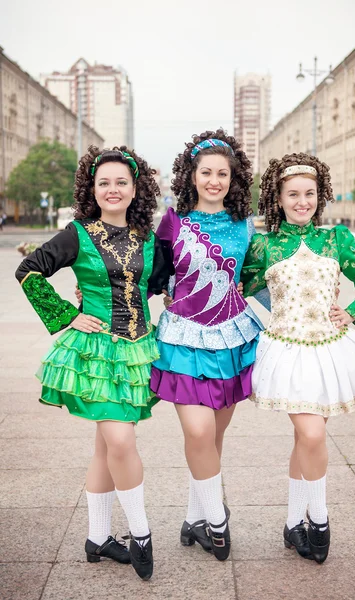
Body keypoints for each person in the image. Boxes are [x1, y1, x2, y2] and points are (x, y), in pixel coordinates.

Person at [15, 146, 171, 580]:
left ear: (135, 188)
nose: (113, 189)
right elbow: (29, 270)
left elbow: (157, 285)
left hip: (138, 350)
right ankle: (140, 533)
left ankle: (98, 537)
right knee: (121, 441)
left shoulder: (148, 238)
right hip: (97, 352)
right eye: (104, 182)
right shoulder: (77, 233)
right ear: (92, 189)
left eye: (121, 181)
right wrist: (68, 314)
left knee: (107, 446)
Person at [241, 153, 355, 564]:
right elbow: (234, 285)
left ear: (319, 195)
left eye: (309, 194)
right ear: (278, 198)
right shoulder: (264, 244)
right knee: (311, 435)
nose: (302, 202)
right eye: (293, 194)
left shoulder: (337, 238)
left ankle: (294, 523)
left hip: (331, 351)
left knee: (305, 439)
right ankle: (321, 519)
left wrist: (353, 312)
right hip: (287, 350)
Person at [151, 130, 263, 560]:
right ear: (191, 175)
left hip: (232, 337)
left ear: (233, 179)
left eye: (223, 173)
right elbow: (151, 276)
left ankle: (195, 515)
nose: (214, 180)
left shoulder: (245, 225)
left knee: (213, 438)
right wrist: (98, 300)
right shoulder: (172, 221)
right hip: (183, 336)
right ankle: (217, 521)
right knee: (197, 431)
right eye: (206, 172)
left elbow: (262, 278)